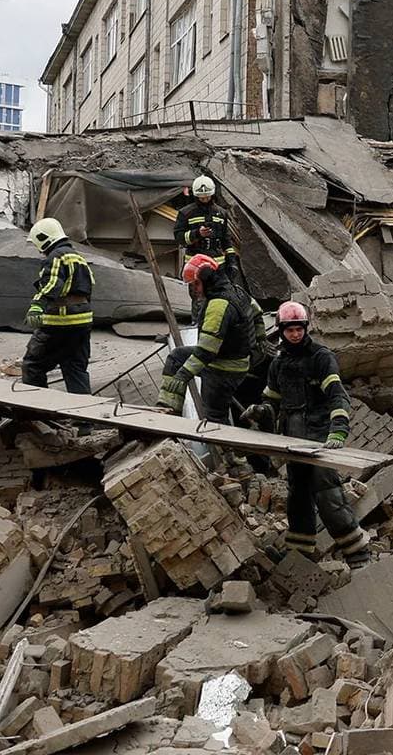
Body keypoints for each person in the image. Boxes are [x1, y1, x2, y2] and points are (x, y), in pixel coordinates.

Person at [239, 302, 371, 567]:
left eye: (299, 329)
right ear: (282, 330)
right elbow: (273, 402)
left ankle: (357, 553)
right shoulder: (279, 364)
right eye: (291, 330)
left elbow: (338, 398)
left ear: (306, 328)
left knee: (328, 493)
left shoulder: (321, 358)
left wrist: (338, 432)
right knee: (297, 495)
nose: (296, 335)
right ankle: (300, 553)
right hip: (293, 437)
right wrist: (260, 411)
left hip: (319, 435)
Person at [157, 254, 261, 422]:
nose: (195, 290)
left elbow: (206, 350)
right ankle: (167, 409)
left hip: (222, 368)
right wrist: (260, 344)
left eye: (196, 284)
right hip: (236, 362)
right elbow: (257, 314)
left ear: (208, 279)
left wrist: (182, 376)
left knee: (214, 415)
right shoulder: (238, 292)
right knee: (176, 357)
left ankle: (222, 446)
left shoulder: (218, 305)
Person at [22, 217, 94, 395]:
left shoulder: (56, 257)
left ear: (43, 238)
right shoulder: (78, 258)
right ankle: (84, 420)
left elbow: (53, 284)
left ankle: (36, 414)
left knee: (33, 366)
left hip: (60, 322)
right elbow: (89, 288)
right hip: (82, 323)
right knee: (75, 369)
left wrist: (37, 305)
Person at [175, 175, 239, 269]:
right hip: (195, 264)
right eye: (201, 198)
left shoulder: (221, 213)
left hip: (217, 264)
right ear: (196, 196)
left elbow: (226, 240)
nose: (205, 200)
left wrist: (231, 262)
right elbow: (179, 237)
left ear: (212, 195)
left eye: (207, 197)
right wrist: (197, 234)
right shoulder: (186, 213)